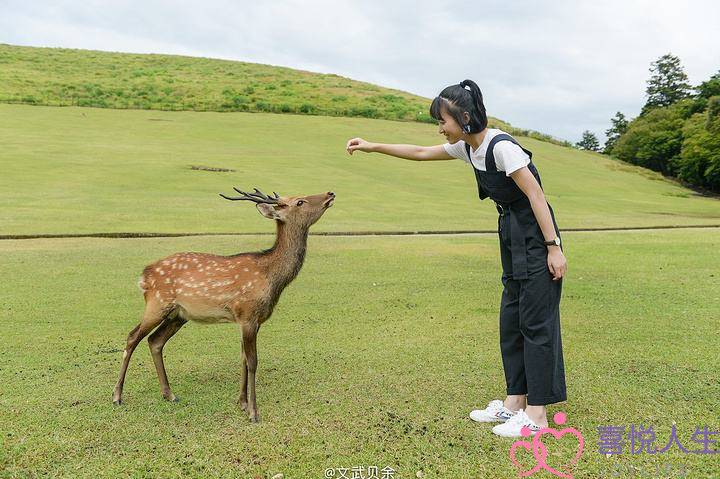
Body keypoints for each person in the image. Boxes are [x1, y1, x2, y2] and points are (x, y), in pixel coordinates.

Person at [345, 79, 568, 438]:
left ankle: (537, 416)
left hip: (535, 235)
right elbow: (419, 152)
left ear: (463, 117)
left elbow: (537, 196)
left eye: (443, 121)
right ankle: (514, 402)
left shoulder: (501, 148)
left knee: (536, 323)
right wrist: (372, 146)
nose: (440, 128)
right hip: (511, 234)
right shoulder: (469, 148)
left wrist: (553, 246)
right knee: (511, 319)